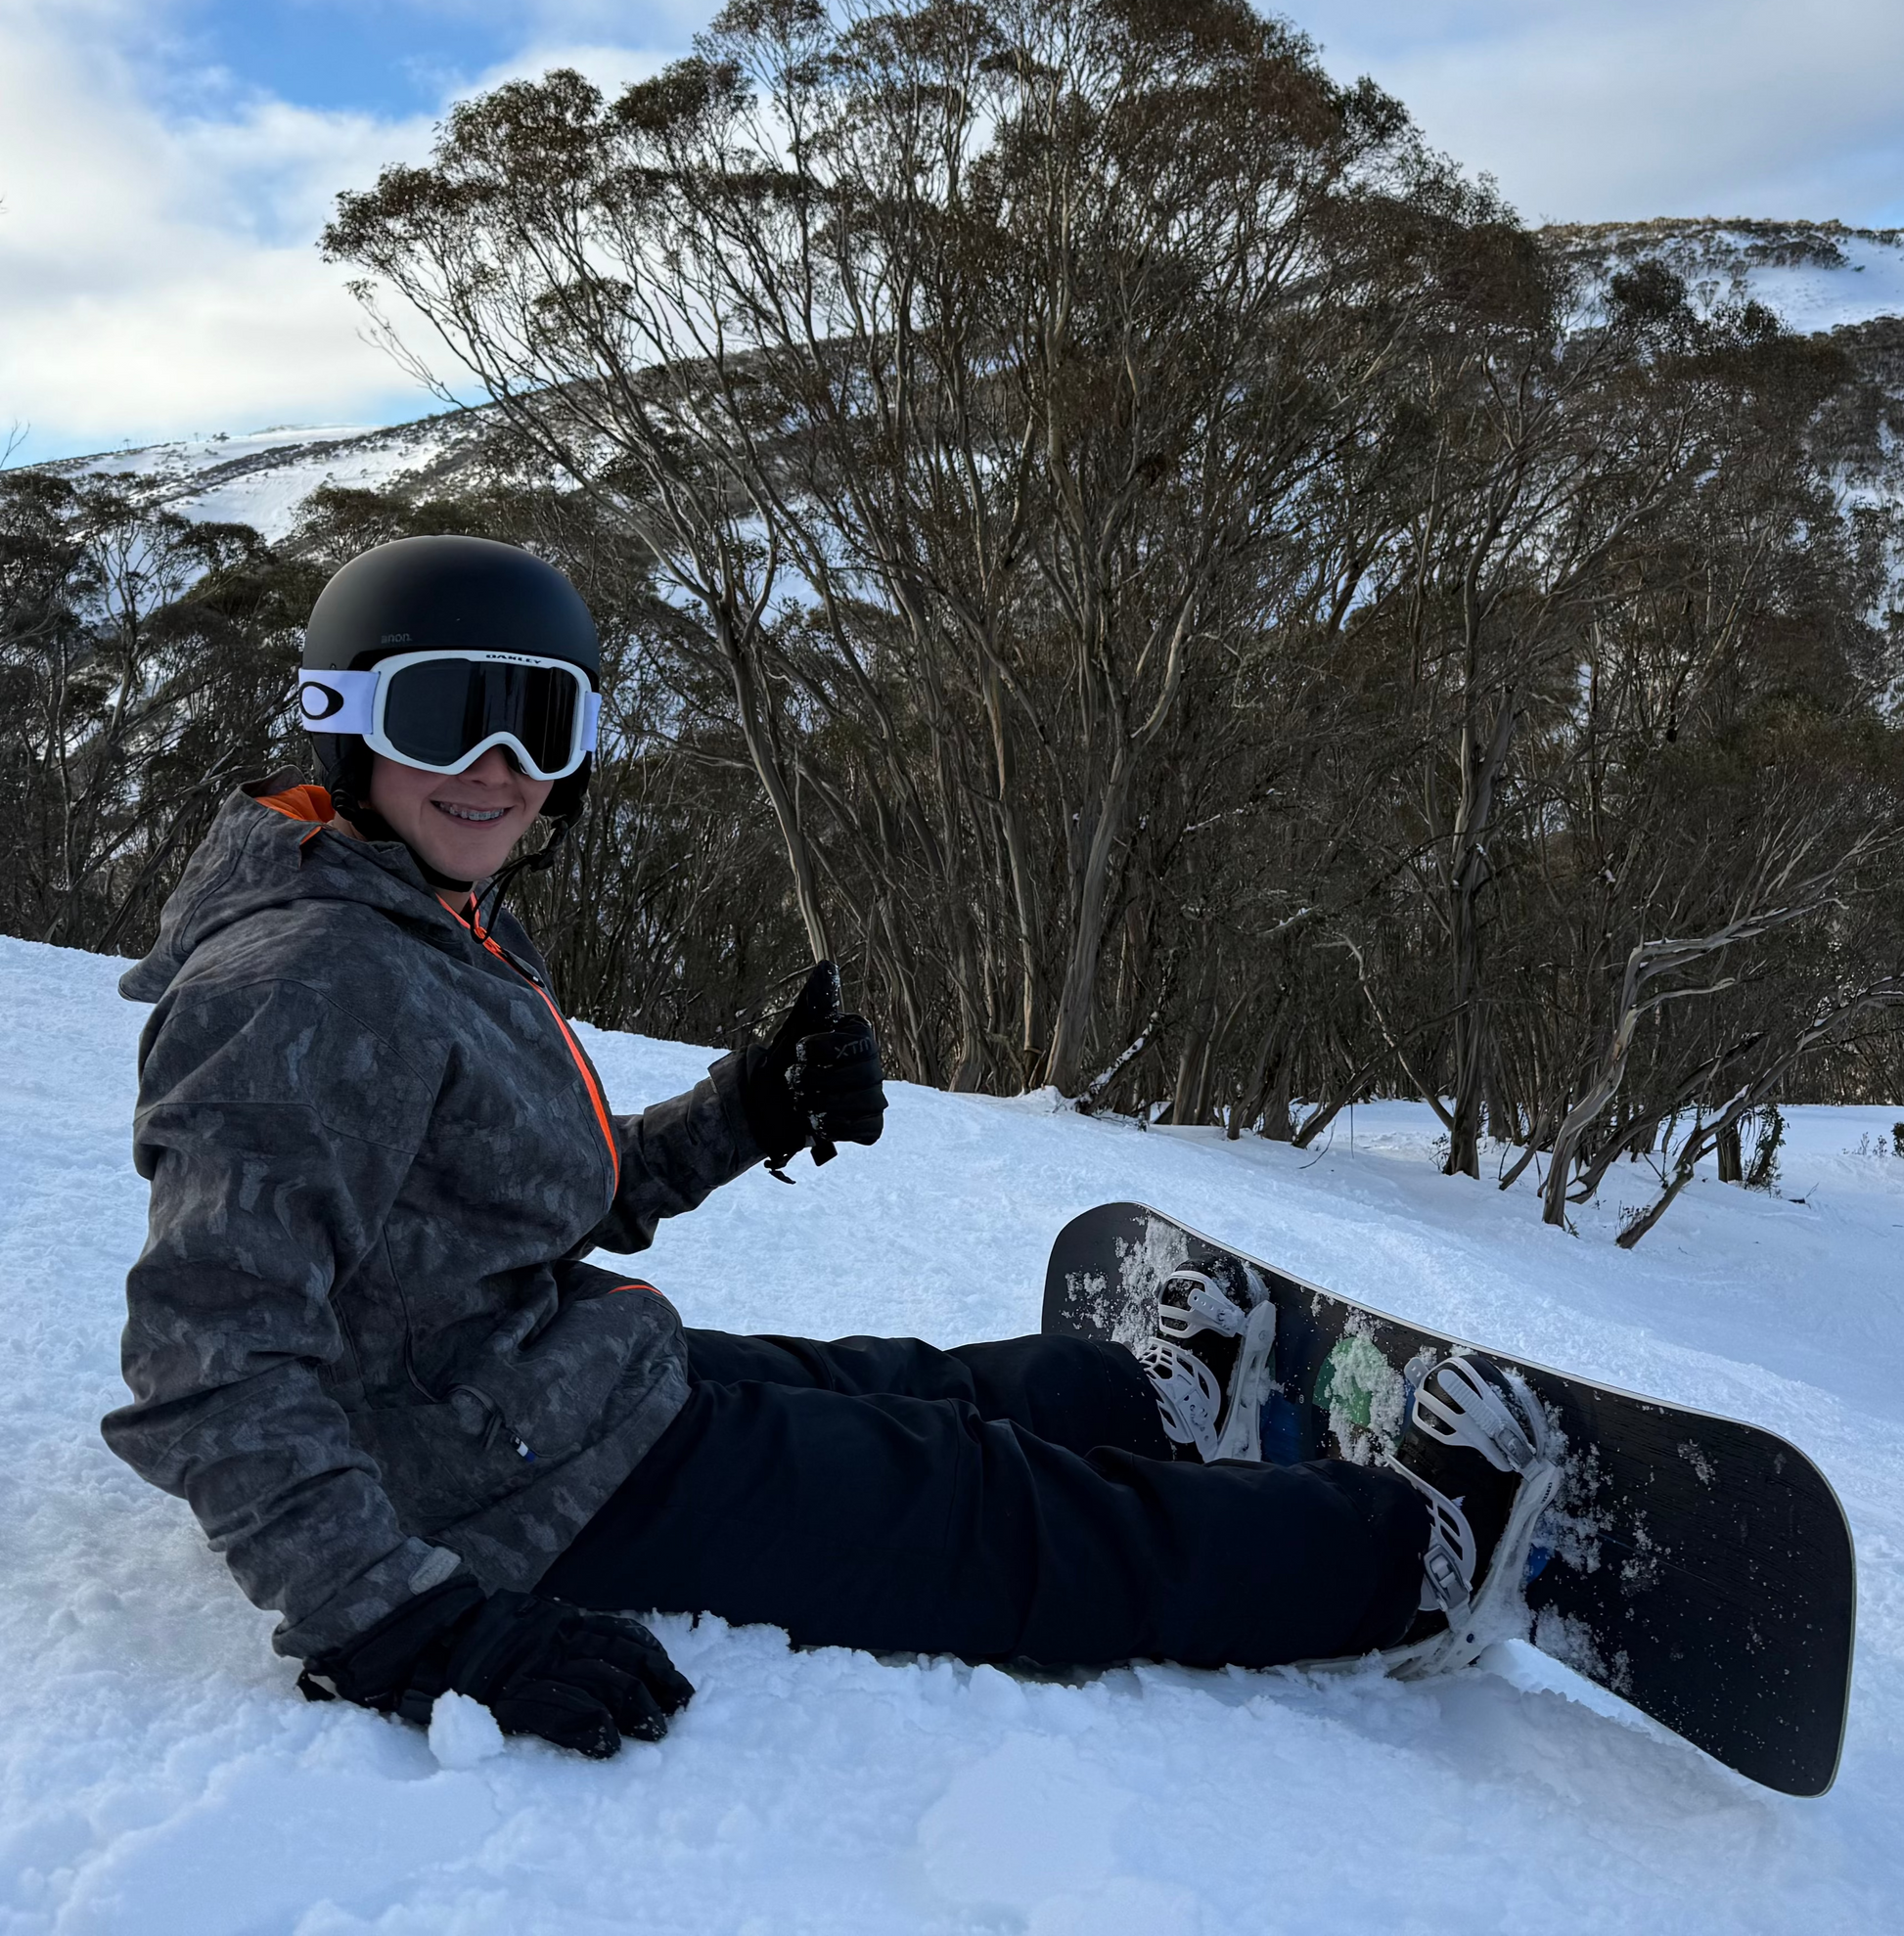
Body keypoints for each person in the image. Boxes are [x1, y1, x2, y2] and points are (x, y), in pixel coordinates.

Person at [104, 535, 1548, 1760]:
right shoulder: (303, 978)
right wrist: (402, 1624)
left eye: (539, 727)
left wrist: (753, 1110)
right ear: (343, 720)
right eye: (445, 718)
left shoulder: (421, 913)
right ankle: (1407, 1562)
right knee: (982, 1514)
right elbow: (206, 1359)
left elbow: (502, 1200)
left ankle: (1142, 1401)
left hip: (514, 1381)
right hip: (485, 1484)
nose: (495, 769)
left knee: (892, 1389)